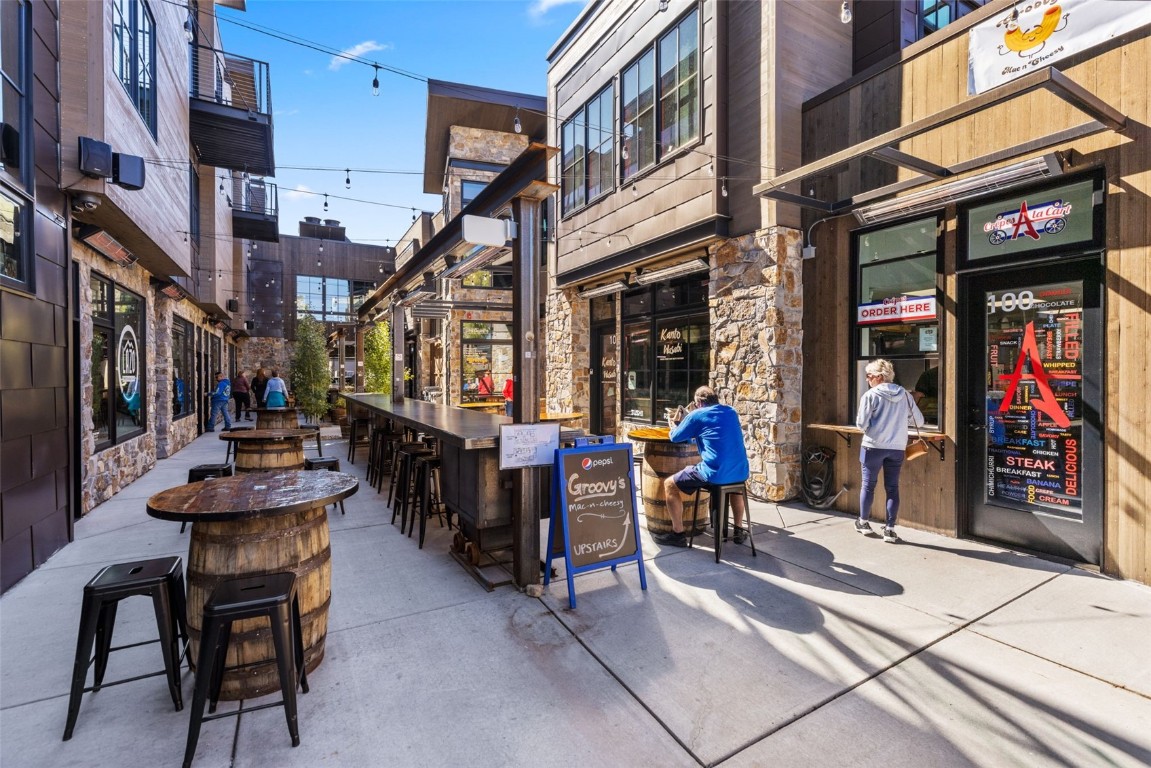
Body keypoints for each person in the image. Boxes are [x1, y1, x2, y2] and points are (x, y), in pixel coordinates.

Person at [655, 386, 750, 548]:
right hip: (741, 472)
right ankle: (739, 529)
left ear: (699, 402)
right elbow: (715, 433)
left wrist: (674, 424)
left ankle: (677, 534)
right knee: (734, 488)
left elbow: (675, 437)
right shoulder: (731, 411)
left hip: (715, 473)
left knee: (669, 484)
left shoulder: (696, 415)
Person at [855, 358, 924, 543]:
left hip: (873, 446)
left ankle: (863, 522)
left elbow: (861, 424)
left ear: (879, 377)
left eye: (869, 376)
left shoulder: (870, 396)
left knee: (868, 485)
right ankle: (890, 529)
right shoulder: (905, 395)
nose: (868, 379)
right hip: (897, 448)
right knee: (892, 488)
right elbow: (919, 420)